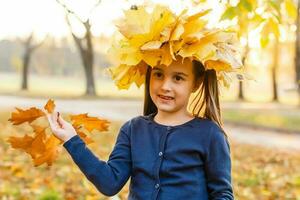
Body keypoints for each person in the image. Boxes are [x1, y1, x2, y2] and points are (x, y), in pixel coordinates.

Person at [47, 4, 246, 200]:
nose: (165, 86)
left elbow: (222, 194)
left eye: (178, 78)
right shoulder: (133, 130)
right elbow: (109, 183)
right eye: (159, 74)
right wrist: (71, 140)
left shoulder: (210, 134)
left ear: (196, 83)